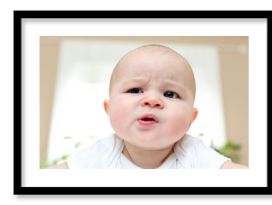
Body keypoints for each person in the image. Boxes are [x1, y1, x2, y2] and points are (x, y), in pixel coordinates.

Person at [49, 44, 247, 169]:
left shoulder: (193, 154)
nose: (151, 100)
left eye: (170, 94)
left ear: (191, 119)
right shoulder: (102, 153)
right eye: (135, 90)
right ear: (108, 109)